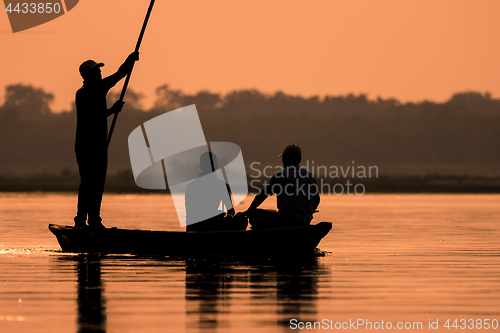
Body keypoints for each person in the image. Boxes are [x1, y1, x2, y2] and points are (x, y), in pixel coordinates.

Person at [73, 52, 139, 229]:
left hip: (100, 145)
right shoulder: (83, 94)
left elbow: (120, 74)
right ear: (87, 75)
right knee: (87, 182)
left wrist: (130, 59)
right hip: (86, 146)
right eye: (96, 72)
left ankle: (94, 220)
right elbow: (92, 117)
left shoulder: (101, 87)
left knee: (98, 182)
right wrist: (113, 110)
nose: (100, 74)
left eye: (99, 71)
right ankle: (80, 220)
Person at [244, 144, 320, 229]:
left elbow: (263, 194)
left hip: (285, 220)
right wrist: (308, 211)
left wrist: (249, 211)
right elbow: (316, 199)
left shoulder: (280, 176)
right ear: (299, 159)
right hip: (305, 220)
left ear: (285, 159)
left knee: (254, 214)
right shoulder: (309, 176)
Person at [185, 151, 247, 231]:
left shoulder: (222, 185)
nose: (210, 169)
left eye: (211, 166)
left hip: (214, 223)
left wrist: (229, 216)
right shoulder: (192, 186)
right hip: (197, 225)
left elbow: (231, 210)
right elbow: (191, 213)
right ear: (201, 167)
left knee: (242, 219)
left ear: (216, 167)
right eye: (207, 166)